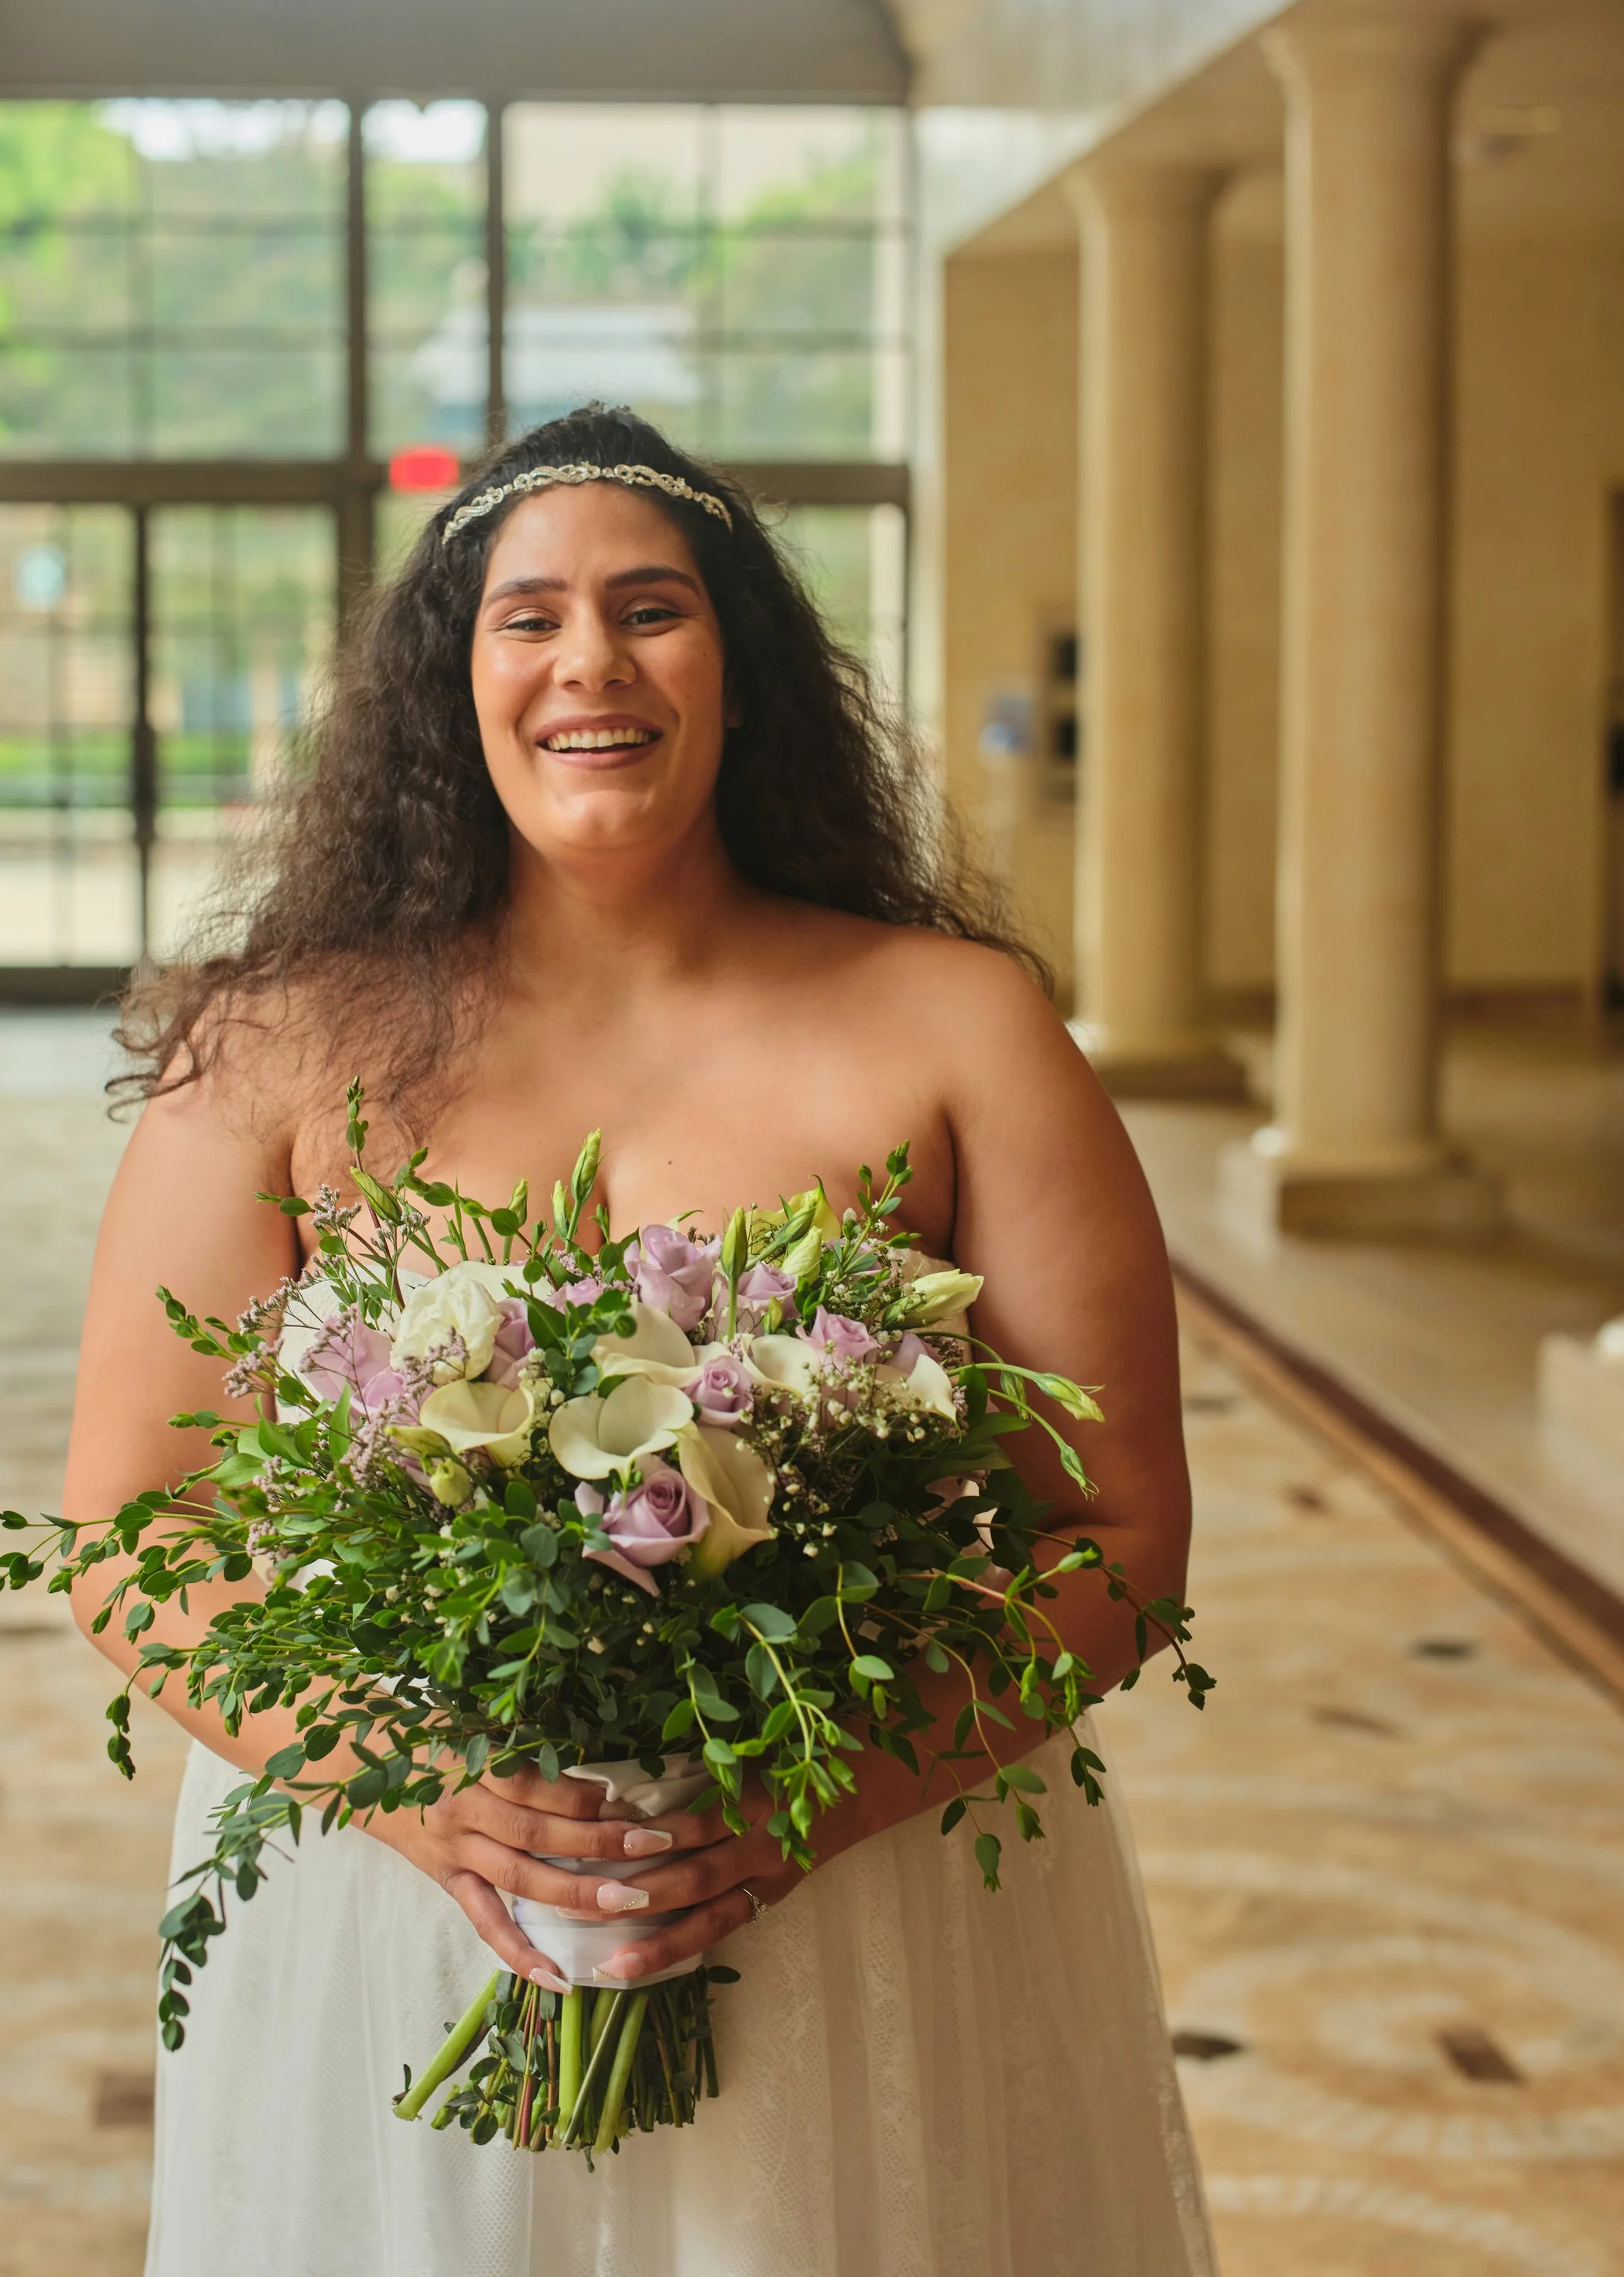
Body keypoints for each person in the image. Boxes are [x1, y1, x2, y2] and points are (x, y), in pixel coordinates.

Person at [65, 405, 1215, 2275]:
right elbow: (129, 1522)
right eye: (526, 616)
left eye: (650, 606)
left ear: (740, 671)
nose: (587, 658)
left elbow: (1120, 1537)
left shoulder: (960, 1027)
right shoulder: (273, 1044)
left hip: (861, 1888)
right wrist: (411, 1790)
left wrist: (809, 1798)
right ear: (453, 684)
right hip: (397, 1894)